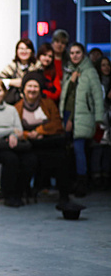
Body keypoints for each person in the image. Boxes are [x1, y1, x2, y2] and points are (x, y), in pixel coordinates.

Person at [14, 72, 75, 208]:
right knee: (27, 160)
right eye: (29, 86)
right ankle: (22, 194)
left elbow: (57, 124)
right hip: (29, 145)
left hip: (47, 143)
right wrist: (28, 134)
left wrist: (39, 131)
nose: (32, 89)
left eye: (35, 86)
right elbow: (14, 129)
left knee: (62, 157)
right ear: (23, 89)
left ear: (40, 89)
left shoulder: (48, 103)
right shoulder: (17, 107)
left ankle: (64, 197)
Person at [0, 79, 37, 207]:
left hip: (11, 145)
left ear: (4, 92)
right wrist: (11, 131)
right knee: (11, 159)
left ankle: (19, 193)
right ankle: (9, 195)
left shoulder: (12, 109)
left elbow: (19, 130)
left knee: (30, 159)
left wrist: (14, 135)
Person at [59, 42, 105, 197]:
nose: (74, 55)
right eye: (72, 53)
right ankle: (72, 182)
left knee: (79, 149)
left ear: (83, 53)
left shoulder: (90, 72)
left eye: (77, 52)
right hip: (67, 114)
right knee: (69, 150)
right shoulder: (69, 71)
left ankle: (82, 183)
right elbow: (66, 97)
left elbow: (98, 96)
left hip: (82, 115)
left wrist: (99, 119)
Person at [0, 38, 41, 104]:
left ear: (31, 51)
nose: (24, 51)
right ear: (17, 51)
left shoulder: (37, 66)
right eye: (21, 49)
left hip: (34, 102)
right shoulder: (12, 66)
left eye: (27, 48)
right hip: (15, 103)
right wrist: (11, 82)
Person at [91, 56, 111, 189]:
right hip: (99, 117)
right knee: (97, 148)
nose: (106, 68)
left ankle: (106, 175)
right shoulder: (96, 82)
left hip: (109, 118)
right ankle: (96, 176)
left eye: (108, 65)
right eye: (103, 65)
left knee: (108, 150)